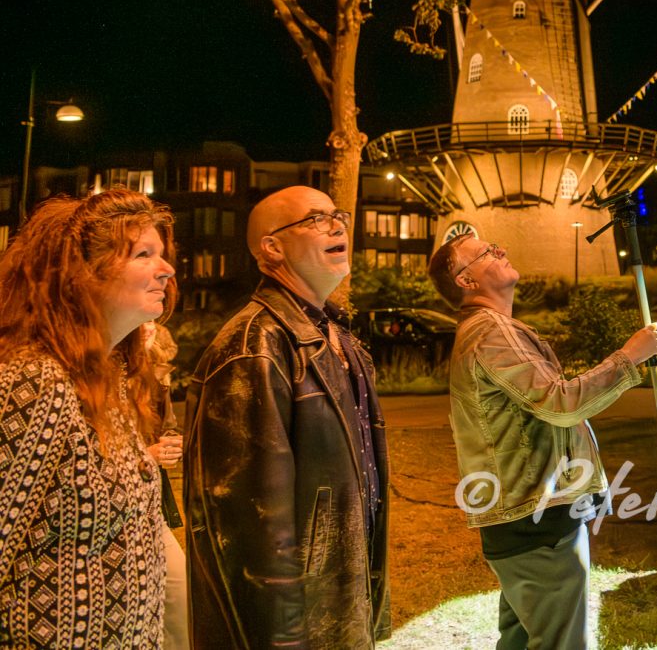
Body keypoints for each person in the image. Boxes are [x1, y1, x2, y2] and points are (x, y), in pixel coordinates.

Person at [427, 233, 657, 650]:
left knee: (521, 640)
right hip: (536, 519)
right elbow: (561, 402)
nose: (500, 250)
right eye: (486, 253)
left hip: (522, 516)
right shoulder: (491, 332)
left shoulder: (487, 330)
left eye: (495, 246)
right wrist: (629, 357)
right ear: (466, 281)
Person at [184, 186, 389, 649]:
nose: (337, 226)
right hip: (296, 627)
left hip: (338, 610)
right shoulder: (254, 346)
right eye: (316, 219)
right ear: (272, 248)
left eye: (337, 215)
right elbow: (248, 529)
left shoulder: (336, 335)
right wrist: (284, 638)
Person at [0, 189, 177, 648]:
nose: (167, 269)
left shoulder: (110, 378)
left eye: (161, 253)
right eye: (143, 254)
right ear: (81, 273)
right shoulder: (35, 381)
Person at [129, 320, 190, 650]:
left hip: (152, 509)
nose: (150, 326)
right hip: (120, 514)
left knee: (180, 600)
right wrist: (145, 456)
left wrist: (170, 445)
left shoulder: (153, 383)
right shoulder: (92, 381)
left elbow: (167, 426)